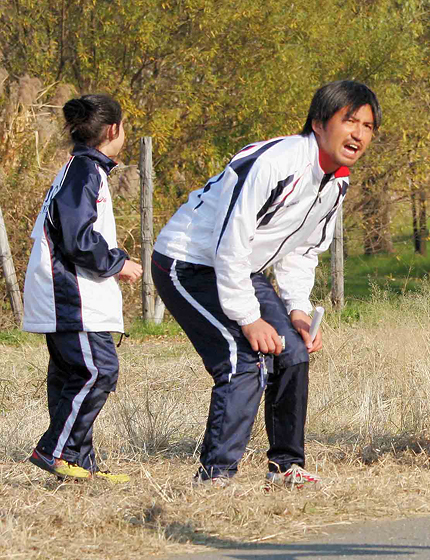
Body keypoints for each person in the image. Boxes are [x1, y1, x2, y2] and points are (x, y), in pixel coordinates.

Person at [152, 80, 380, 486]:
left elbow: (302, 249)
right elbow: (230, 240)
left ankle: (285, 466)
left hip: (242, 267)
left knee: (293, 353)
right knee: (243, 360)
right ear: (318, 124)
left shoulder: (337, 182)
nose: (359, 134)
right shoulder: (276, 162)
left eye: (367, 125)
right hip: (187, 262)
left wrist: (297, 309)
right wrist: (248, 318)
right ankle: (215, 477)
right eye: (350, 121)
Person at [23, 94, 143, 483]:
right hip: (70, 296)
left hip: (60, 293)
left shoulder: (81, 169)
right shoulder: (85, 172)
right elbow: (77, 238)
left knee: (70, 376)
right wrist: (117, 262)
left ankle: (79, 463)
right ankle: (55, 451)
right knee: (98, 370)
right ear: (114, 130)